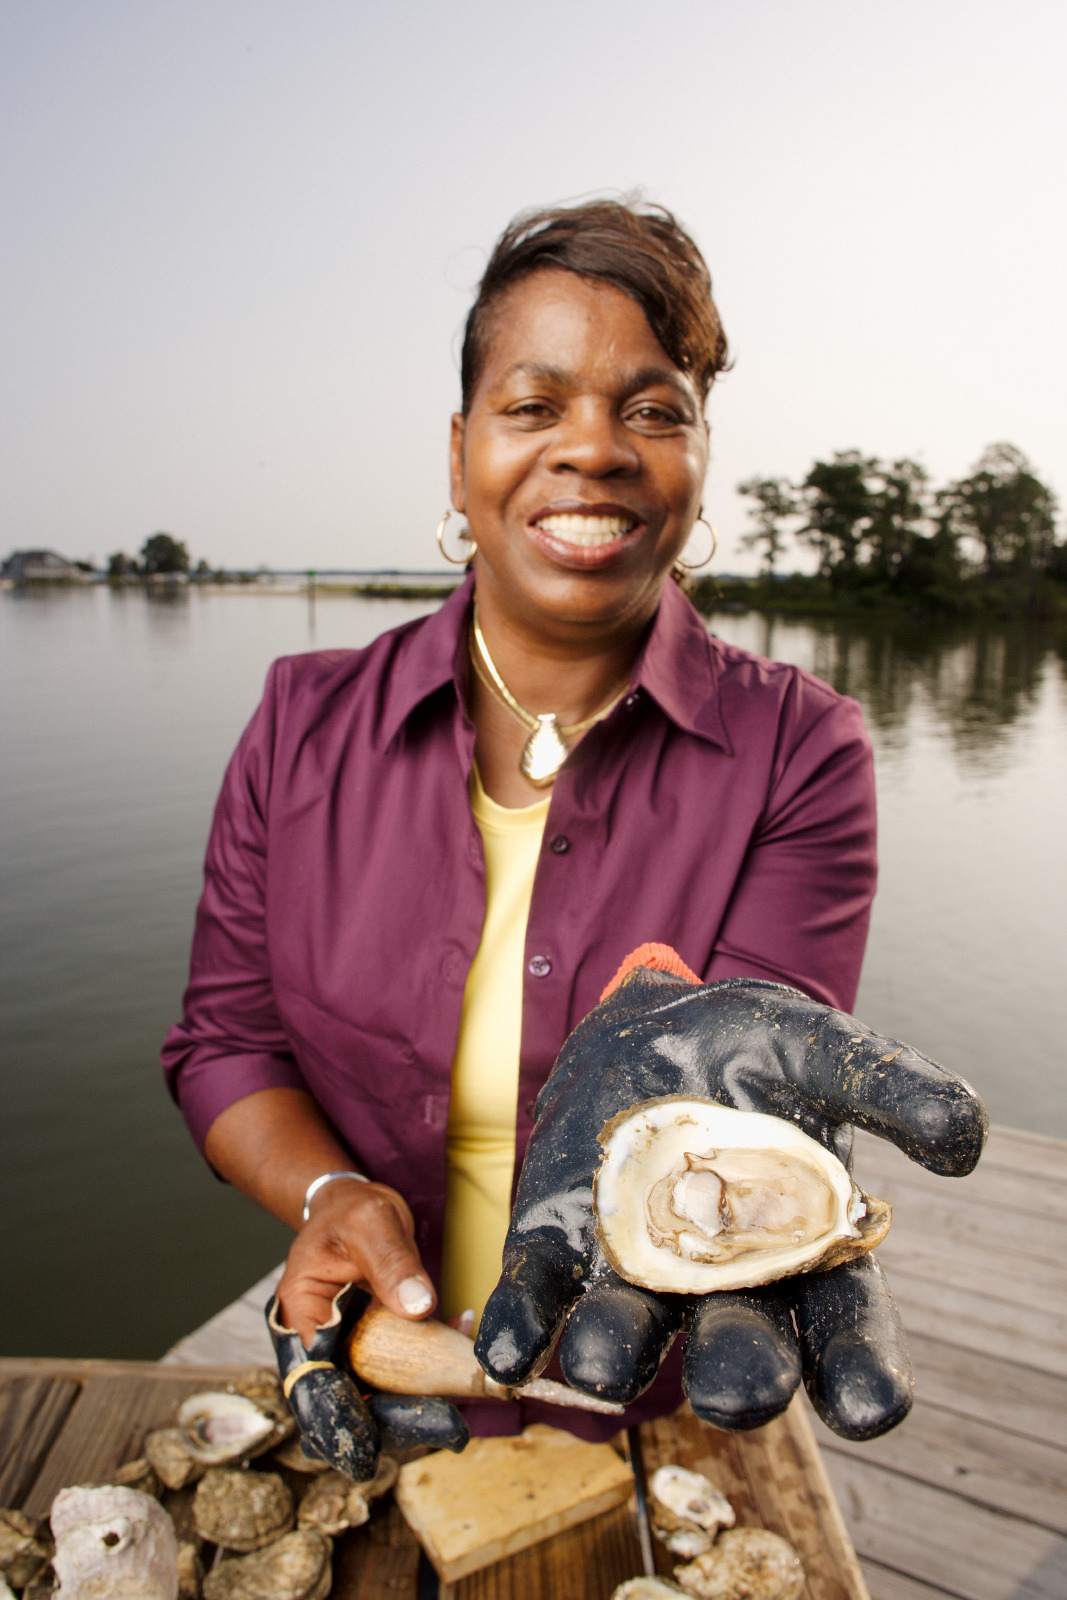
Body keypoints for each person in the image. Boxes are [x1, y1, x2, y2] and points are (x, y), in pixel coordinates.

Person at [162, 199, 984, 1459]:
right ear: (458, 454)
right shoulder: (299, 722)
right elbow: (223, 1042)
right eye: (533, 405)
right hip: (382, 1344)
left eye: (652, 410)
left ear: (702, 457)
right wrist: (330, 1196)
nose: (591, 450)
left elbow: (740, 1068)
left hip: (648, 1387)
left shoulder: (798, 752)